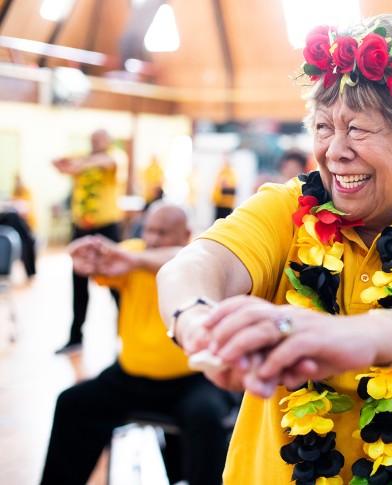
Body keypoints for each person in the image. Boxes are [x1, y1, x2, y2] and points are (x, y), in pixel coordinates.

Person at [157, 14, 392, 484]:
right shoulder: (287, 207)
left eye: (359, 129)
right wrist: (198, 322)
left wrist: (355, 338)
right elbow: (196, 265)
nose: (334, 151)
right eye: (324, 127)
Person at [41, 202, 237, 485]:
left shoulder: (202, 253)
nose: (152, 239)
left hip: (194, 382)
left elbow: (183, 258)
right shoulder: (133, 251)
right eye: (149, 230)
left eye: (163, 232)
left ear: (186, 234)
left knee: (206, 417)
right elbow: (104, 265)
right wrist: (87, 257)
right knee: (72, 403)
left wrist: (134, 260)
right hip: (129, 379)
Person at [53, 129, 123, 353]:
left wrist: (80, 163)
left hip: (106, 228)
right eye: (92, 139)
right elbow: (58, 164)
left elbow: (108, 162)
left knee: (116, 280)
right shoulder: (84, 159)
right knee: (79, 283)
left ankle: (126, 334)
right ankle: (75, 338)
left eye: (100, 139)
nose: (95, 143)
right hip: (82, 227)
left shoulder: (114, 156)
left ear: (108, 141)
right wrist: (75, 162)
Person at [0, 174, 37, 279]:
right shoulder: (14, 193)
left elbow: (26, 210)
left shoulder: (26, 192)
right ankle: (30, 239)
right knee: (13, 216)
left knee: (14, 217)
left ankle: (29, 239)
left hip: (22, 221)